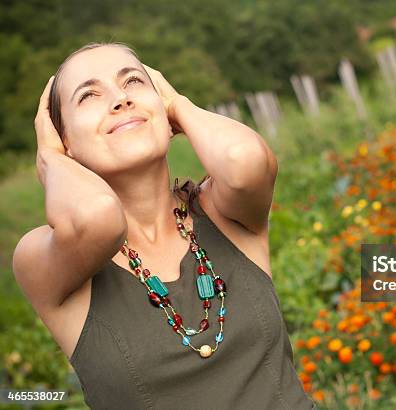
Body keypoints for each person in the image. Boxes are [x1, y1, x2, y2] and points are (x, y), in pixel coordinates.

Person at [12, 42, 316, 410]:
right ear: (65, 142)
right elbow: (97, 218)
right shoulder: (42, 259)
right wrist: (48, 155)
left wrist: (177, 105)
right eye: (89, 95)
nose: (120, 99)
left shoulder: (224, 214)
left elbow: (244, 159)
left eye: (134, 81)